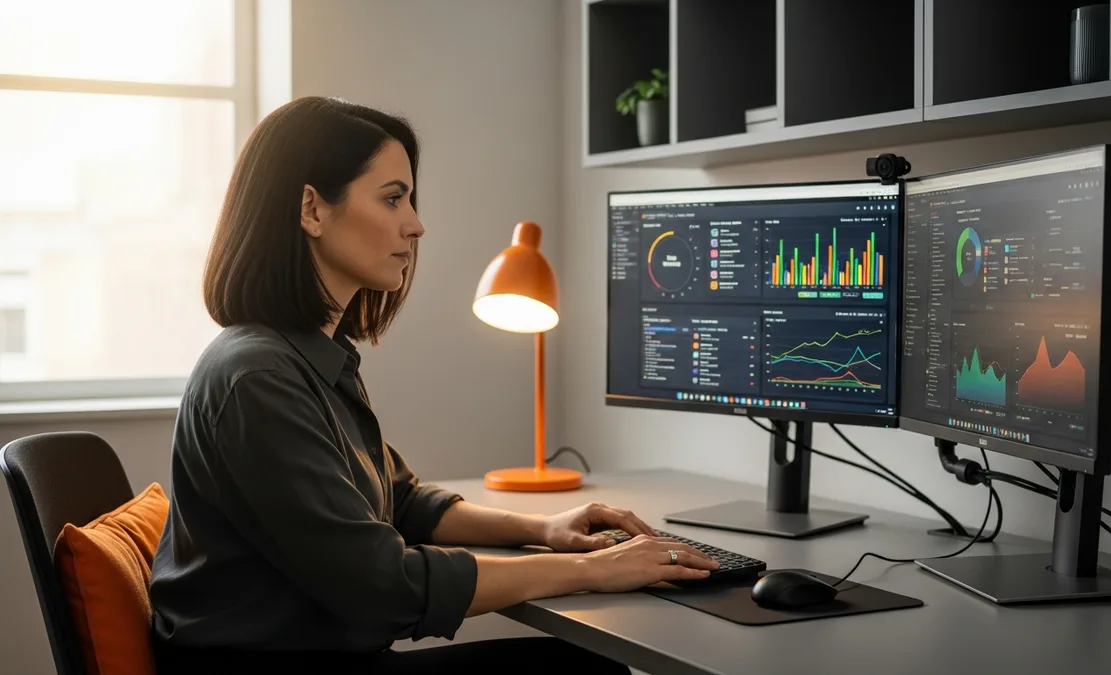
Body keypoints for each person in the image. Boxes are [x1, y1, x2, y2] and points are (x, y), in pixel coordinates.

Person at [147, 96, 718, 675]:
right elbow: (383, 584)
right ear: (312, 210)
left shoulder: (307, 358)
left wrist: (547, 529)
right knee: (585, 666)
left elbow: (404, 500)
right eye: (393, 198)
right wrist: (594, 571)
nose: (416, 224)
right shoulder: (259, 379)